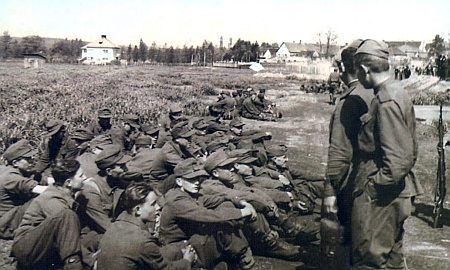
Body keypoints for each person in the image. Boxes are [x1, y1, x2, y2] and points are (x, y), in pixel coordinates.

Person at [352, 39, 423, 269]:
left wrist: (371, 188)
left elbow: (398, 160)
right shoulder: (395, 92)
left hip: (384, 197)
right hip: (394, 193)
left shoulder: (386, 100)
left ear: (364, 70)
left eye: (357, 71)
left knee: (370, 258)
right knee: (392, 260)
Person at [322, 39, 375, 269]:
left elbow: (340, 153)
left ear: (342, 68)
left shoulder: (348, 102)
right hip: (376, 184)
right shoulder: (375, 93)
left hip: (352, 186)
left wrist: (330, 191)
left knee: (348, 250)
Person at [159, 158, 257, 269]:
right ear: (179, 181)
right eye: (191, 179)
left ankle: (238, 260)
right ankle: (244, 262)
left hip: (191, 239)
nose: (196, 182)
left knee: (226, 206)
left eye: (198, 178)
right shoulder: (177, 201)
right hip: (178, 247)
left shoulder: (191, 194)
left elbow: (218, 198)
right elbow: (208, 215)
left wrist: (241, 202)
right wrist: (242, 212)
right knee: (221, 224)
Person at [97, 182, 195, 270]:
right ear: (138, 210)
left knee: (173, 251)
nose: (158, 207)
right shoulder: (143, 240)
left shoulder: (116, 225)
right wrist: (186, 262)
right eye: (153, 204)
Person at [12, 159, 86, 270]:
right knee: (67, 215)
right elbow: (68, 235)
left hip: (39, 244)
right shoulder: (53, 201)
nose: (84, 178)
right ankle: (73, 265)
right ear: (68, 183)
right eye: (81, 176)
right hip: (27, 249)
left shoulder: (62, 194)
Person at [0, 140, 47, 239]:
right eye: (28, 159)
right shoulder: (11, 178)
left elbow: (48, 180)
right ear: (15, 162)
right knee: (42, 200)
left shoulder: (12, 169)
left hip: (11, 216)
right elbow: (43, 190)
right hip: (7, 224)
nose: (33, 160)